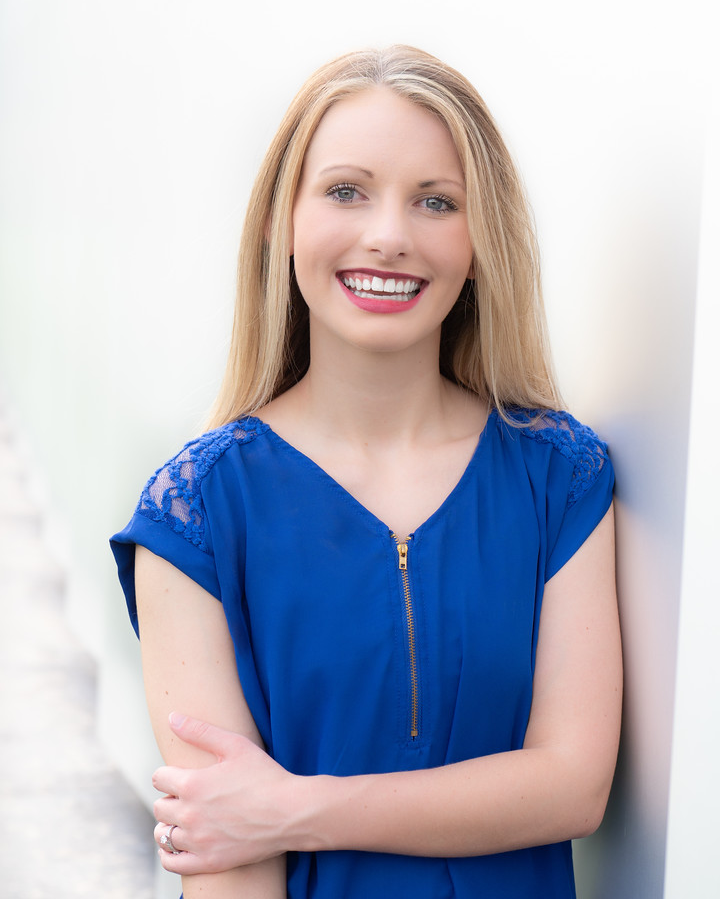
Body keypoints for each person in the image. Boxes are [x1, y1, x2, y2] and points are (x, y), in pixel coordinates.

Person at [111, 44, 621, 899]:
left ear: (479, 239)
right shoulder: (193, 513)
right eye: (346, 191)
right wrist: (257, 821)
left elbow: (571, 785)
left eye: (436, 201)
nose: (389, 235)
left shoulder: (560, 479)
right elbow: (228, 854)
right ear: (282, 219)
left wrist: (294, 808)